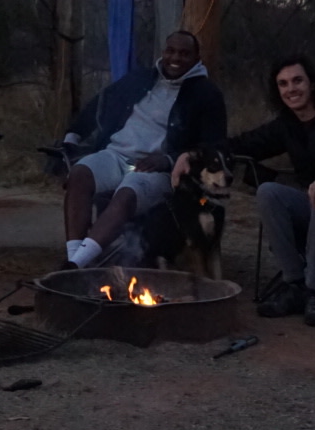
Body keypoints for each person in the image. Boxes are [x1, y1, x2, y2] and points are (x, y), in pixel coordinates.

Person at [177, 53, 315, 327]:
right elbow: (241, 144)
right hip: (314, 206)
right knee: (269, 192)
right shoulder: (288, 125)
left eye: (297, 81)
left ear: (312, 84)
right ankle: (294, 282)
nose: (291, 89)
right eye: (283, 84)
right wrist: (192, 154)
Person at [60, 30, 227, 269]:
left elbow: (214, 144)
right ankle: (74, 259)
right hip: (116, 155)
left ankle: (77, 266)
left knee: (127, 193)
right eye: (170, 51)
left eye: (184, 53)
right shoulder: (141, 79)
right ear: (163, 51)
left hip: (160, 171)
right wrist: (73, 136)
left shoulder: (207, 94)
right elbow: (101, 102)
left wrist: (170, 159)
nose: (175, 58)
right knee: (79, 174)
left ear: (196, 58)